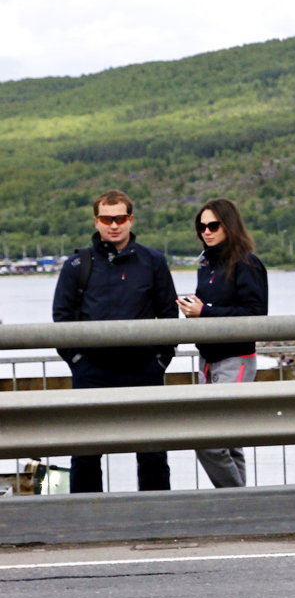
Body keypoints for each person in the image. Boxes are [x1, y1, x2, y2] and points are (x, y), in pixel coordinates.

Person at [51, 189, 178, 492]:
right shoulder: (76, 265)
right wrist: (78, 362)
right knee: (85, 453)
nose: (114, 225)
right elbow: (61, 318)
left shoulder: (153, 261)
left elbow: (169, 315)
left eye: (120, 218)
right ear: (96, 221)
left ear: (130, 219)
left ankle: (157, 519)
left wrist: (160, 361)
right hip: (92, 371)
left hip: (143, 370)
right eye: (107, 219)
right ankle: (86, 523)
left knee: (152, 453)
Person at [176, 198, 268, 486]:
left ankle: (237, 499)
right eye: (201, 226)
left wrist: (205, 311)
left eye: (213, 225)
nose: (206, 231)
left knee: (209, 439)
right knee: (229, 441)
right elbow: (213, 306)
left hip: (236, 359)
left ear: (228, 225)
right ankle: (243, 507)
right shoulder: (206, 263)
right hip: (207, 360)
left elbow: (255, 314)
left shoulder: (247, 263)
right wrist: (196, 311)